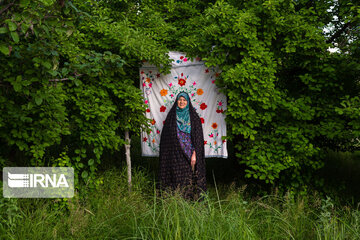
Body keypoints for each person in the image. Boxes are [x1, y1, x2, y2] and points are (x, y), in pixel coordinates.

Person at [158, 92, 207, 201]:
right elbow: (166, 138)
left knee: (188, 177)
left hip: (189, 154)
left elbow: (198, 138)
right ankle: (176, 200)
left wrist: (195, 154)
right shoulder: (171, 117)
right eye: (180, 100)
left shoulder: (194, 118)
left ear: (188, 102)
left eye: (184, 100)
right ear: (176, 101)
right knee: (176, 177)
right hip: (174, 155)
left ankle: (189, 201)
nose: (182, 102)